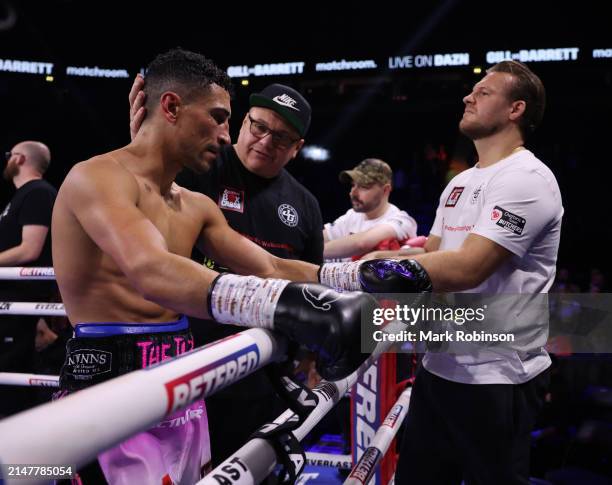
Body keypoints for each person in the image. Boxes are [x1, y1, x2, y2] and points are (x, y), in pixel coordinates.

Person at [52, 48, 381, 484]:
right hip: (109, 396)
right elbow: (150, 270)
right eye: (220, 117)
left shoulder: (196, 204)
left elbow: (271, 266)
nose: (228, 134)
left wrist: (357, 277)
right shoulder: (95, 177)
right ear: (171, 107)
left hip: (184, 390)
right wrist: (285, 308)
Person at [356, 60, 562, 483]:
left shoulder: (528, 179)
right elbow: (433, 254)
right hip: (439, 370)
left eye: (483, 92)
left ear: (515, 109)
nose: (468, 96)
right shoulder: (460, 182)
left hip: (498, 378)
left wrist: (376, 267)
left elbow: (467, 268)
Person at [129, 78, 324, 466]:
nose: (266, 142)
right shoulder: (198, 167)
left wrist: (310, 355)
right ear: (243, 121)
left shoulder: (305, 204)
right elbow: (144, 211)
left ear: (297, 149)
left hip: (264, 369)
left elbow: (307, 284)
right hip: (184, 361)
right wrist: (144, 151)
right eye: (260, 126)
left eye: (282, 138)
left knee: (252, 469)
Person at [0, 141, 57, 416]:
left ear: (20, 159)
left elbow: (30, 249)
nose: (6, 159)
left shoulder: (38, 192)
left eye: (9, 155)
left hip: (20, 299)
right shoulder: (20, 196)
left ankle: (18, 443)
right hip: (14, 300)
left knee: (12, 371)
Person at [323, 158, 418, 261]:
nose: (353, 193)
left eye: (363, 187)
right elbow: (319, 238)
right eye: (353, 185)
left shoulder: (402, 221)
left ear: (385, 190)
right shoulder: (352, 215)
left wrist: (312, 251)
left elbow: (362, 243)